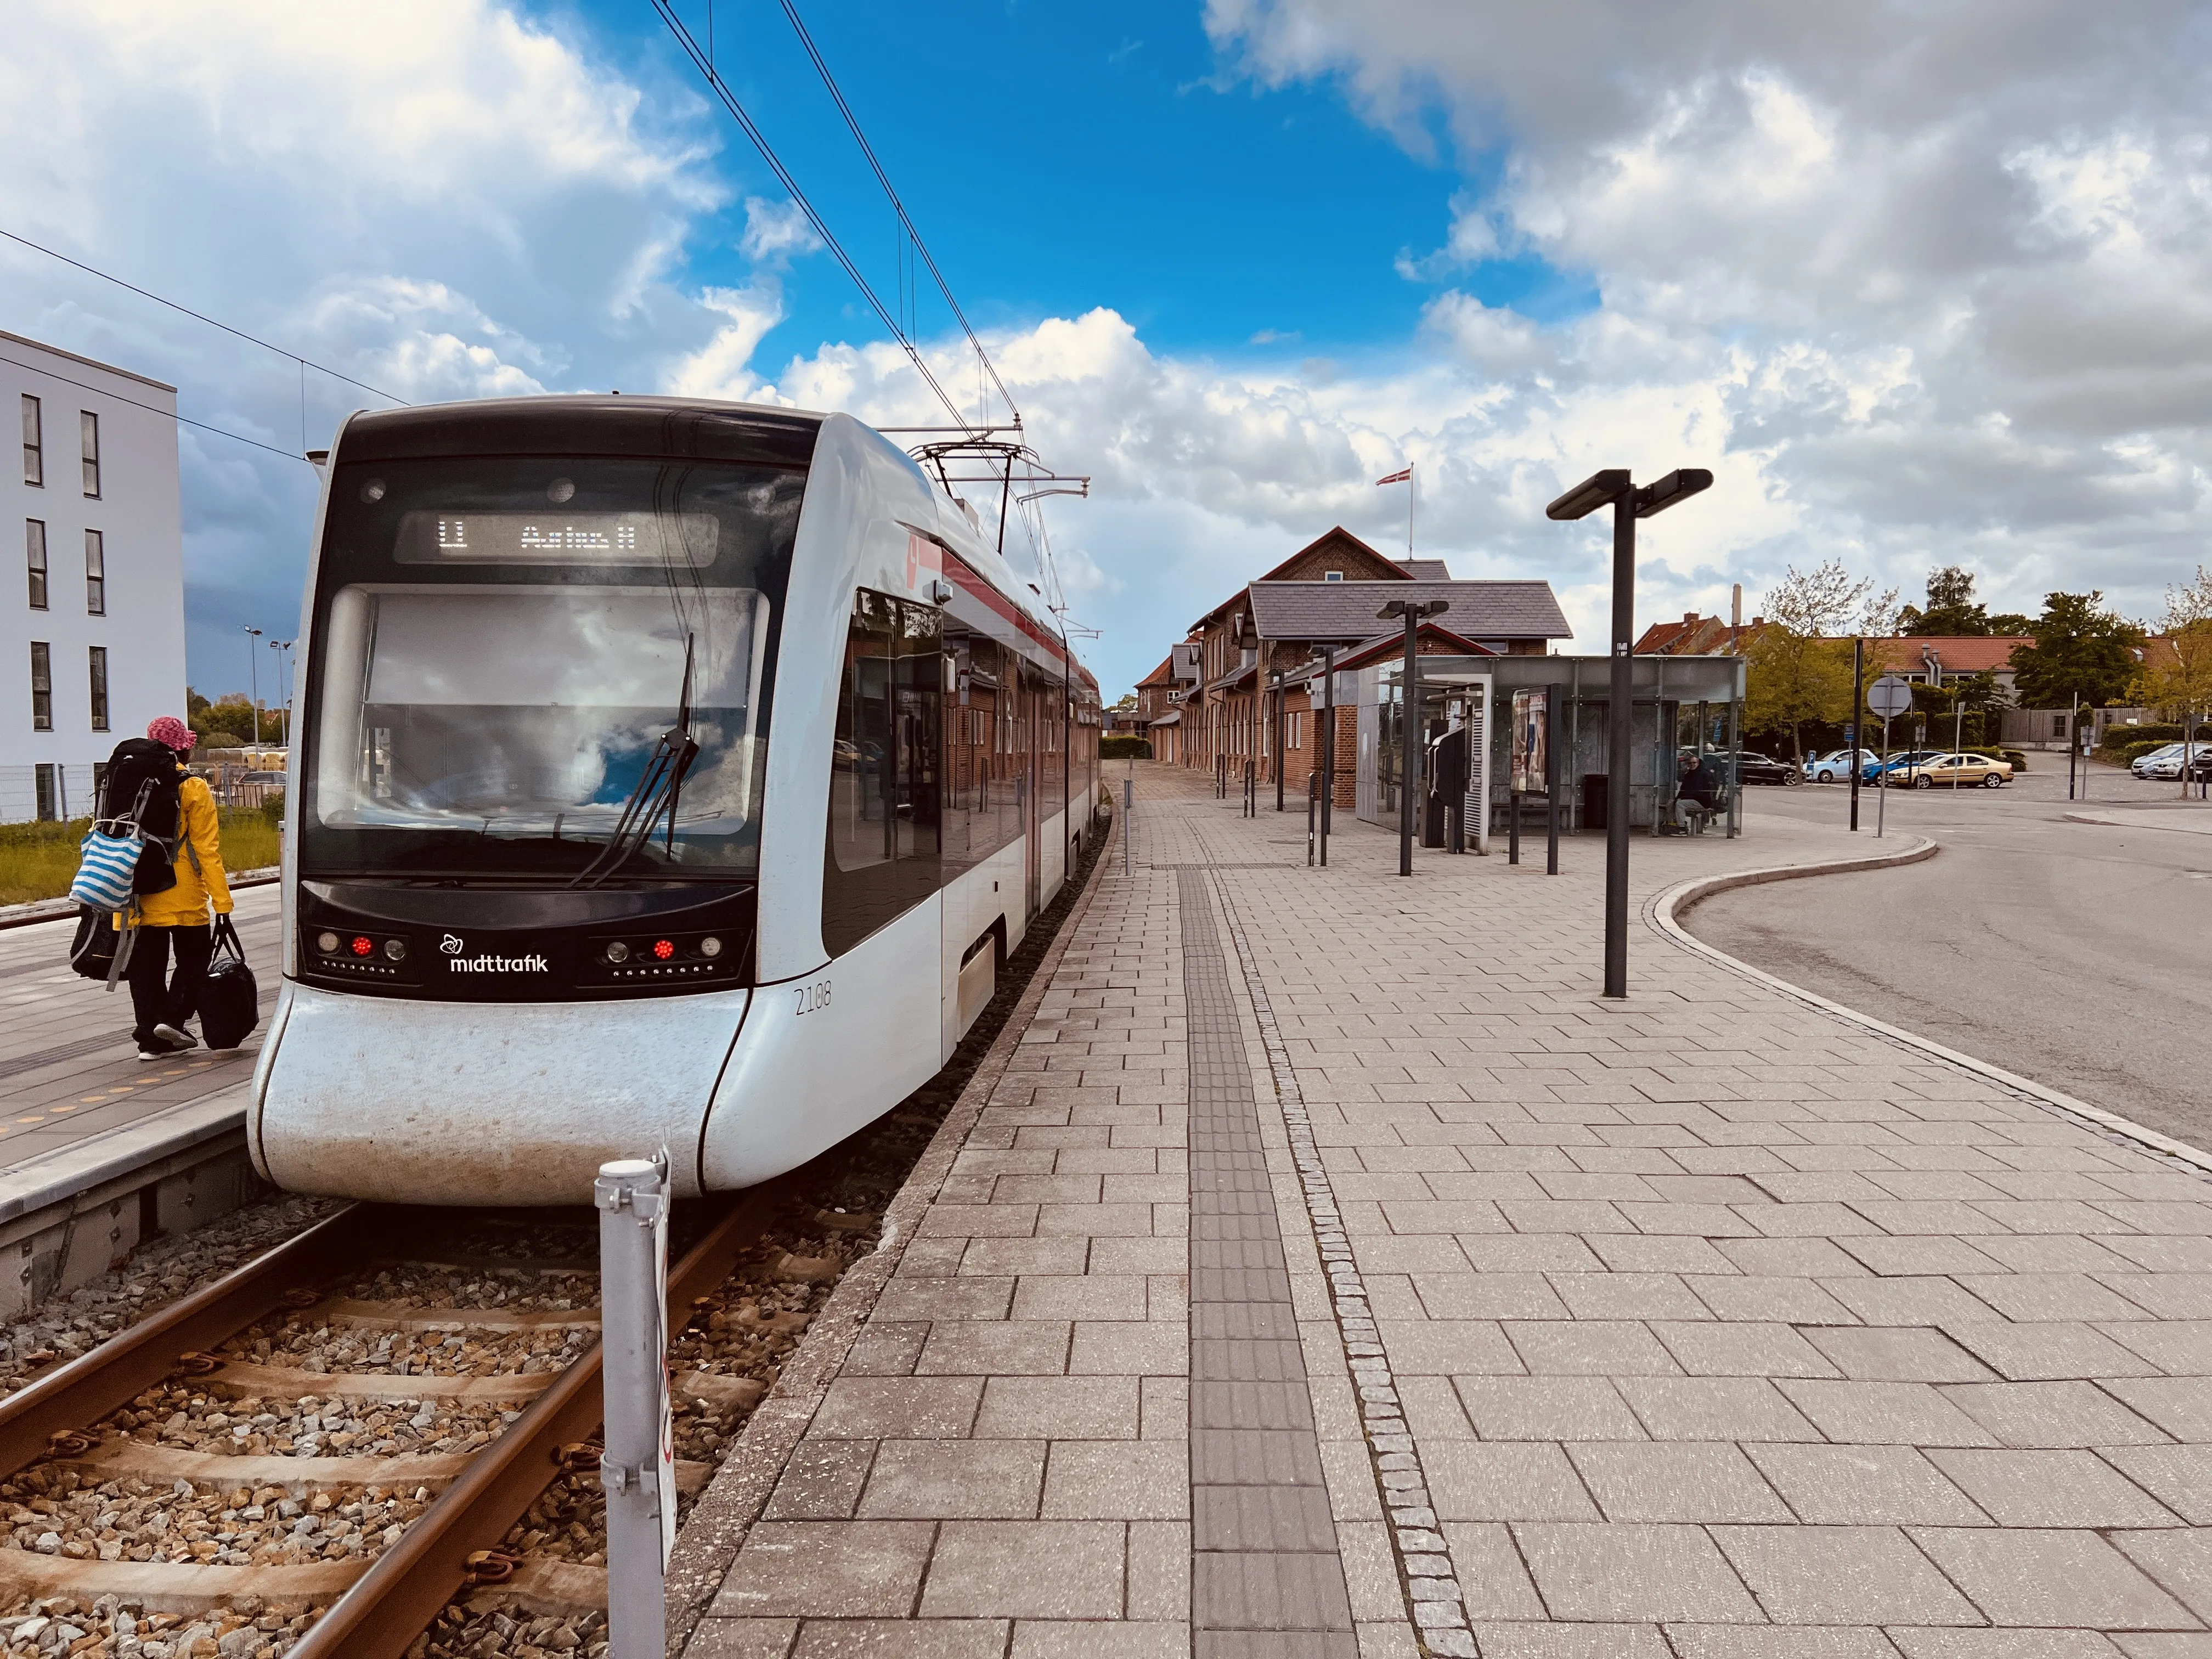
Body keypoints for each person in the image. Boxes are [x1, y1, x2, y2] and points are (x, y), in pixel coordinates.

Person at [116, 716, 234, 1060]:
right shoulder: (192, 786)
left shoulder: (130, 781)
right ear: (184, 747)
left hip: (137, 893)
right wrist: (222, 902)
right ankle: (172, 1020)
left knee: (146, 969)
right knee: (195, 960)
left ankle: (149, 1040)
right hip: (184, 894)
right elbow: (207, 850)